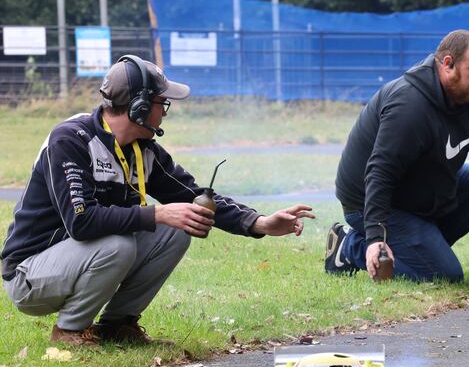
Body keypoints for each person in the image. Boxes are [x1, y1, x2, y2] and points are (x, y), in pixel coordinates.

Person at [1, 55, 314, 347]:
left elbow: (196, 197)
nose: (164, 110)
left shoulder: (143, 149)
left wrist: (258, 223)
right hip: (29, 273)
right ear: (138, 107)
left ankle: (117, 326)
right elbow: (81, 222)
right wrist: (157, 213)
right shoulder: (71, 140)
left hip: (77, 260)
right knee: (120, 244)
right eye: (160, 102)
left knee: (179, 227)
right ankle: (69, 331)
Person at [329, 30, 469, 282]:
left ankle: (424, 250)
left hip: (413, 191)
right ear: (448, 64)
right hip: (370, 202)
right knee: (445, 275)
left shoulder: (468, 103)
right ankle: (349, 247)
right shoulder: (410, 107)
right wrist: (374, 238)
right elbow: (380, 173)